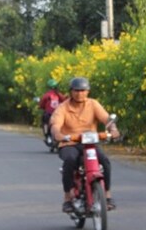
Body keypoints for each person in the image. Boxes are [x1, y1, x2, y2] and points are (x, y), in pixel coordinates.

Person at [50, 77, 120, 213]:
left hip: (89, 144)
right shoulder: (63, 108)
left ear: (88, 91)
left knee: (104, 161)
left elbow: (107, 119)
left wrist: (113, 129)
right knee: (70, 160)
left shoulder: (93, 104)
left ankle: (107, 195)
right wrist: (57, 133)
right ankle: (67, 198)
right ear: (71, 92)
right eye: (76, 90)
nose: (80, 93)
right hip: (69, 143)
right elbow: (55, 125)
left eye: (83, 90)